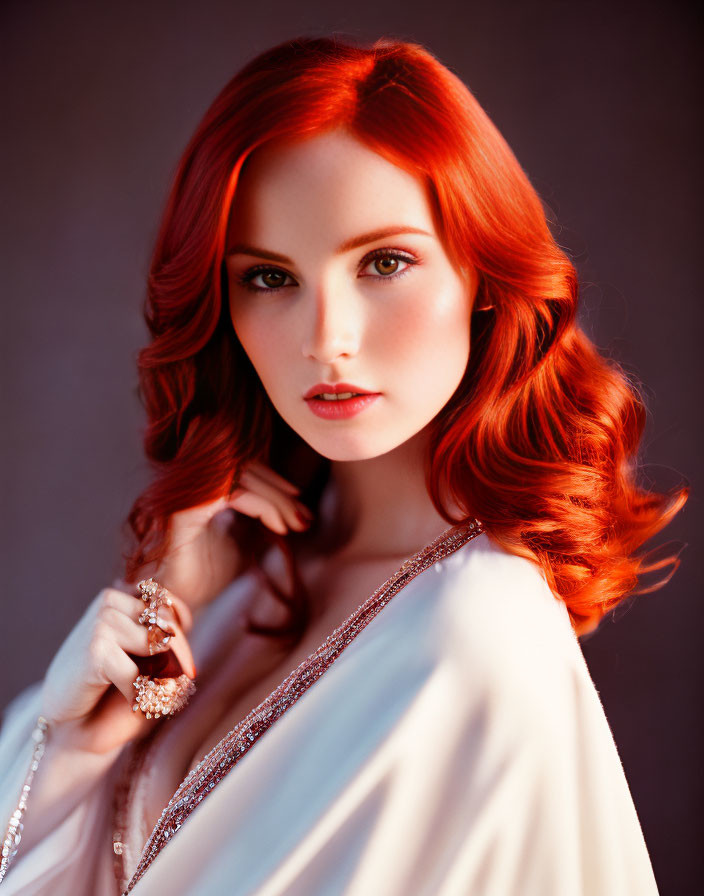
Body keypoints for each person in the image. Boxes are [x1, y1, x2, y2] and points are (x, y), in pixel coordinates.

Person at [0, 35, 687, 896]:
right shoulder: (229, 588)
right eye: (268, 279)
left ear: (481, 272)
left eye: (385, 263)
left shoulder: (474, 638)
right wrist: (82, 734)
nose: (327, 339)